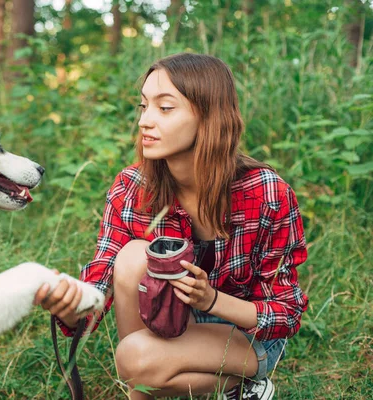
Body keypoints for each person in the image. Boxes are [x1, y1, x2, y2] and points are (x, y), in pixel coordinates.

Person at [34, 53, 308, 400]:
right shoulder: (133, 186)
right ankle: (225, 388)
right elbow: (101, 279)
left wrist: (210, 300)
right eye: (144, 106)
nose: (145, 121)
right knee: (133, 256)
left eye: (165, 109)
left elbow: (285, 311)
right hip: (172, 322)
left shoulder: (266, 192)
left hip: (246, 336)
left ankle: (238, 379)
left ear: (209, 116)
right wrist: (71, 305)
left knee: (133, 358)